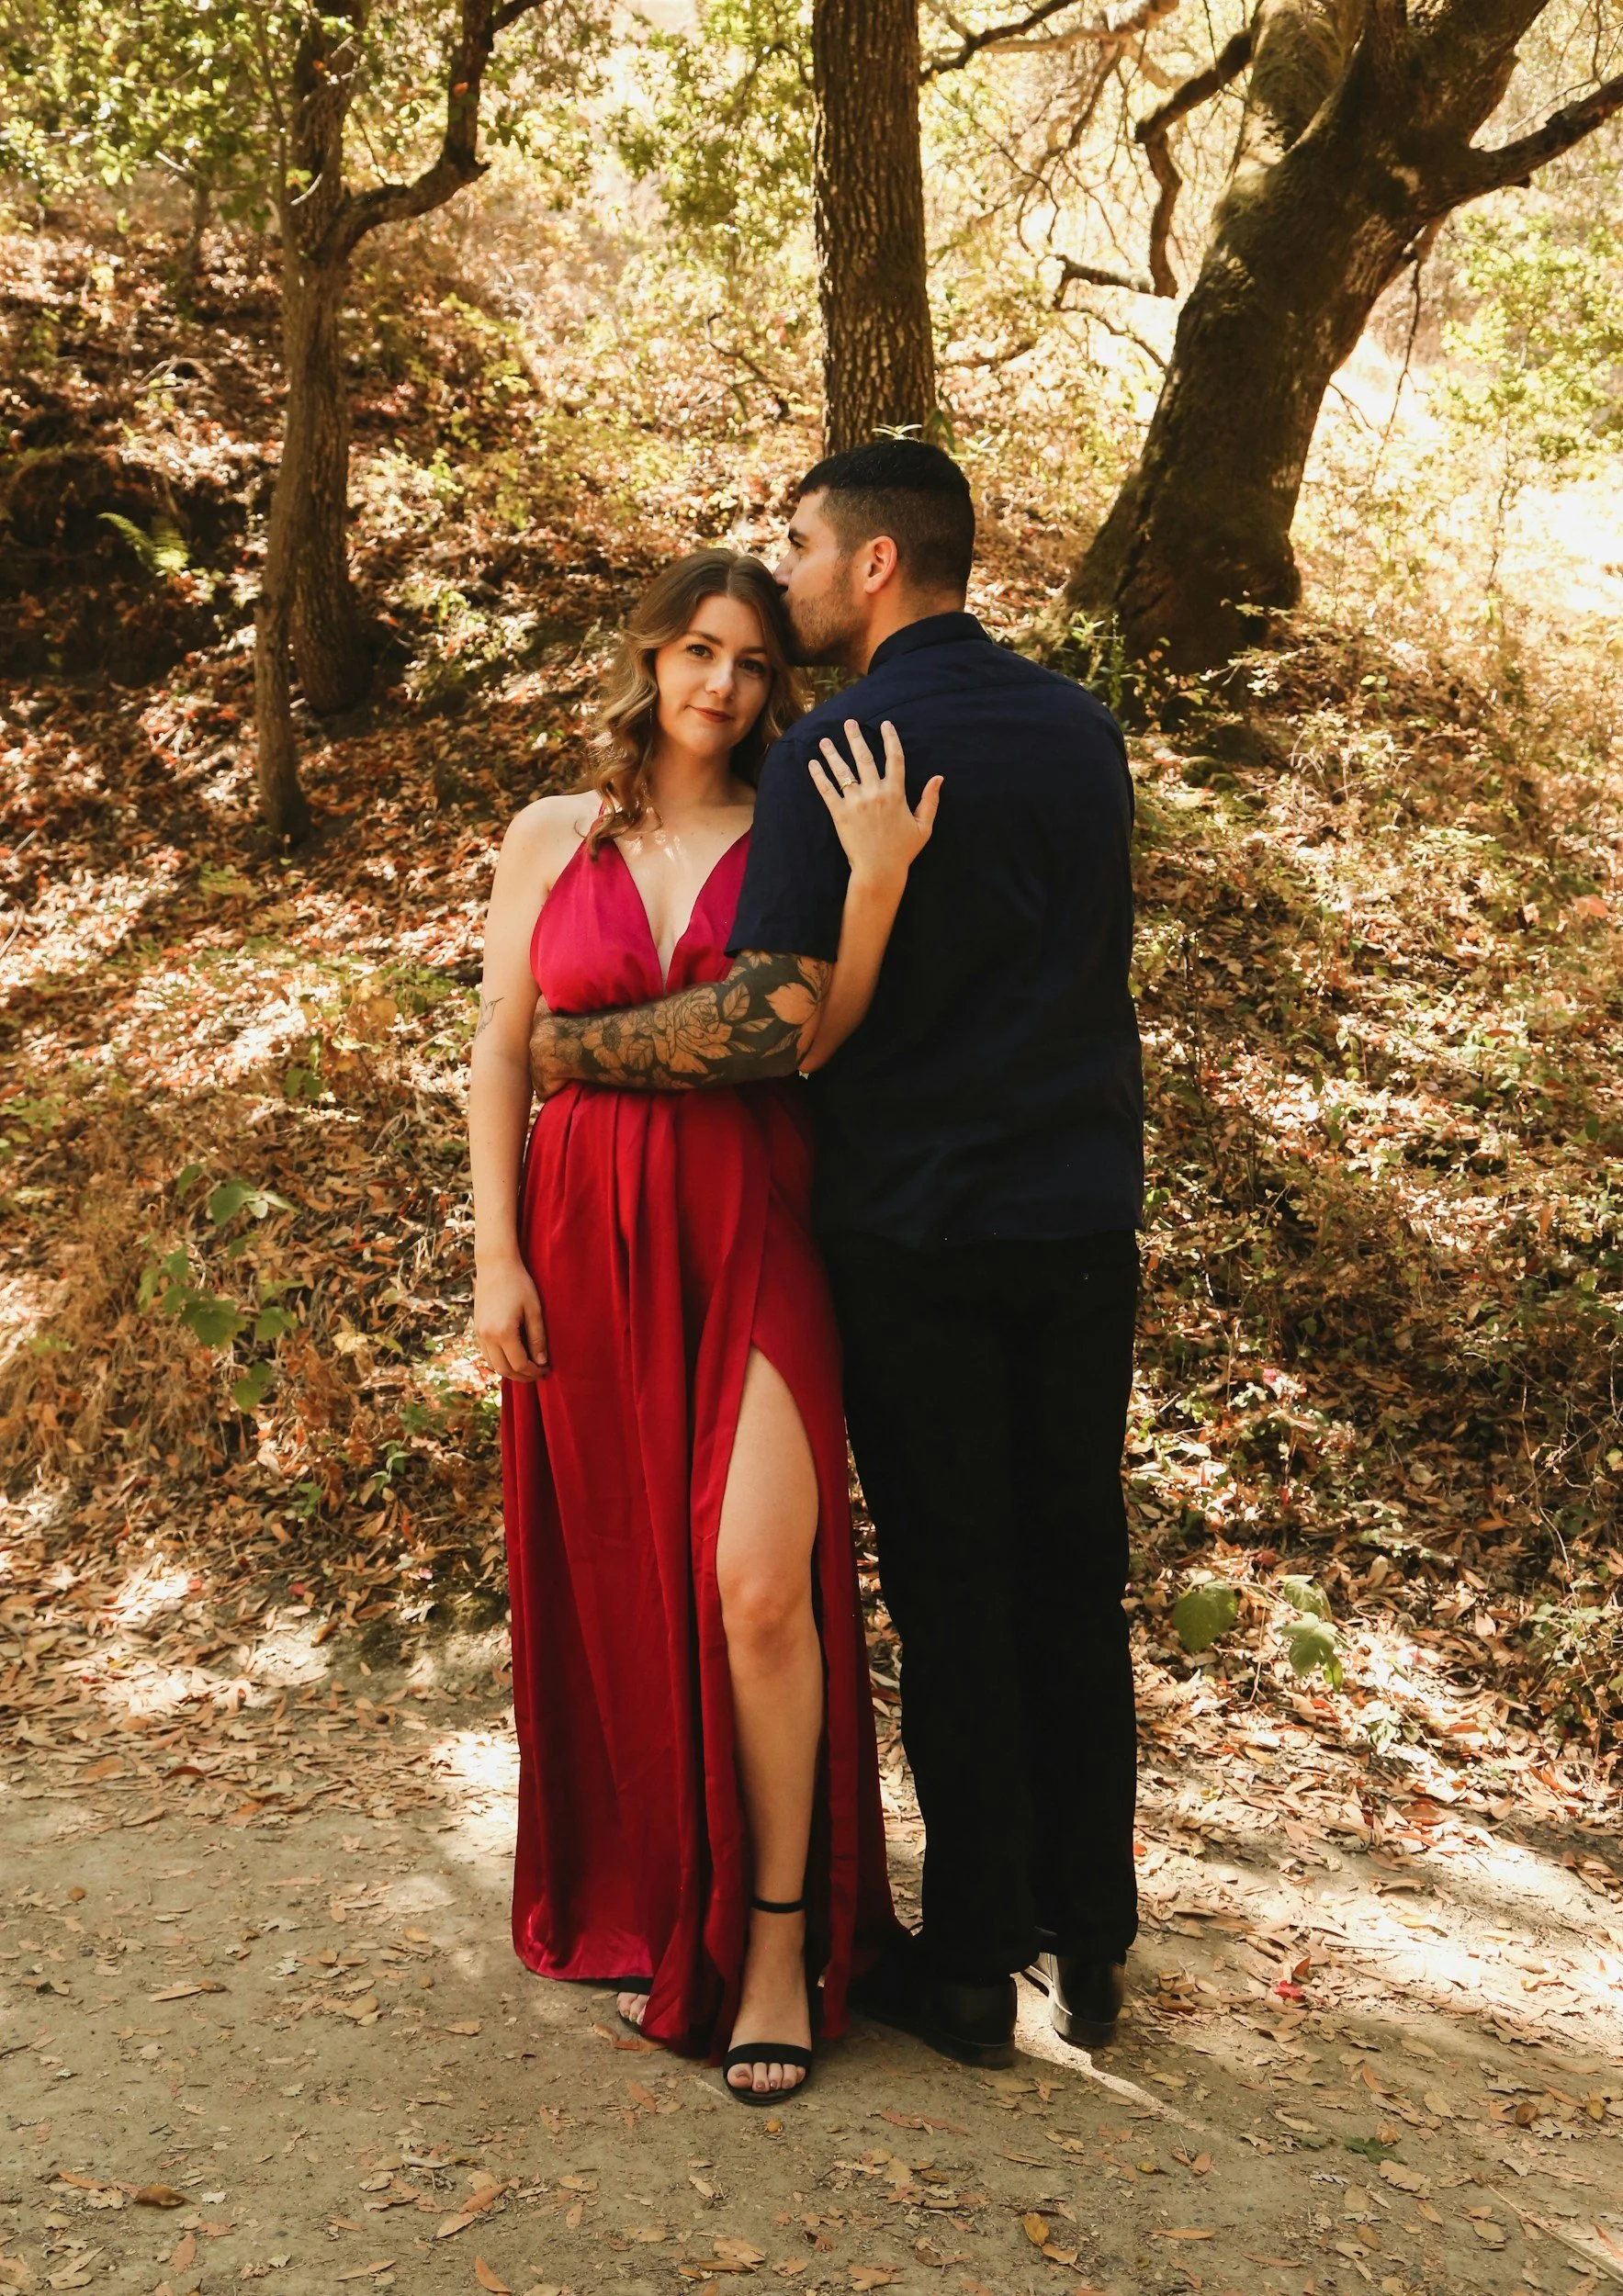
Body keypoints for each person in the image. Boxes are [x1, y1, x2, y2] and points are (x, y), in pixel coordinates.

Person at [528, 441, 1144, 2071]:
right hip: (1083, 1218)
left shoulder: (838, 752)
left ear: (874, 565)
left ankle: (974, 1964)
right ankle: (1095, 1942)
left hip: (911, 1229)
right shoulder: (1086, 735)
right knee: (1075, 1574)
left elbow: (768, 1018)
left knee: (955, 1584)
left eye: (802, 546)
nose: (784, 573)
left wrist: (581, 1057)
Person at [468, 547, 936, 2102]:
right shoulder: (550, 834)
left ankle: (780, 1945)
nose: (720, 684)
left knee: (755, 1589)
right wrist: (495, 1262)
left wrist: (869, 889)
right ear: (651, 657)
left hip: (751, 1217)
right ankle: (665, 1892)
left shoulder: (788, 829)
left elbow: (814, 1039)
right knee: (623, 1577)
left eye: (747, 659)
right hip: (583, 1236)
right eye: (695, 651)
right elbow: (501, 1057)